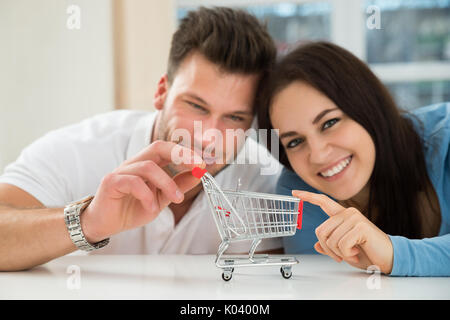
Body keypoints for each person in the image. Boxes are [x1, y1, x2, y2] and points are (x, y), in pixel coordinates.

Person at [0, 7, 281, 271]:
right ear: (162, 92)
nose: (208, 138)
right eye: (196, 106)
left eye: (234, 118)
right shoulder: (77, 151)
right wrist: (88, 222)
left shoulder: (264, 182)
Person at [257, 41, 449, 276]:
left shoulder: (445, 139)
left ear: (368, 106)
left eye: (329, 123)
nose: (318, 155)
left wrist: (394, 254)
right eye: (294, 142)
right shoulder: (299, 192)